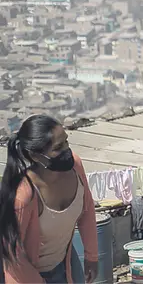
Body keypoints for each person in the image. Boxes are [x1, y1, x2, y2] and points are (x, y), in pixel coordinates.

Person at [0, 115, 98, 283]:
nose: (67, 150)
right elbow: (12, 255)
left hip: (63, 261)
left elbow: (87, 211)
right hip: (26, 274)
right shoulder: (24, 195)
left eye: (66, 142)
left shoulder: (75, 166)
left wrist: (92, 256)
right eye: (58, 147)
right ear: (36, 156)